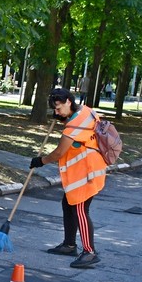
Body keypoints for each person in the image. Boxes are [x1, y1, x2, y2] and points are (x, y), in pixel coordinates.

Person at [30, 87, 109, 269]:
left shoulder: (73, 127)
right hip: (90, 168)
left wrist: (40, 161)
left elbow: (59, 153)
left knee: (80, 210)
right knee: (68, 204)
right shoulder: (87, 110)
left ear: (68, 101)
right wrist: (65, 118)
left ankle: (89, 252)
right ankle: (69, 245)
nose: (56, 113)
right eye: (54, 110)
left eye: (58, 109)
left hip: (86, 173)